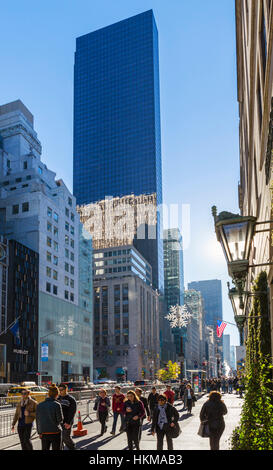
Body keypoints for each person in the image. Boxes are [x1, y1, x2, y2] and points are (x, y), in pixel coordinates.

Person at [36, 383, 63, 450]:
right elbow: (60, 419)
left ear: (49, 394)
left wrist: (39, 432)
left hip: (44, 432)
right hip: (55, 431)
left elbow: (38, 420)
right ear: (57, 394)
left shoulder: (39, 405)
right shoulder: (57, 405)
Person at [57, 383, 77, 450]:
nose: (60, 391)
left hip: (67, 421)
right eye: (59, 390)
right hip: (59, 422)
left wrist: (68, 422)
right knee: (59, 439)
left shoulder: (71, 399)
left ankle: (72, 448)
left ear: (66, 389)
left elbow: (72, 412)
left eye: (62, 390)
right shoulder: (57, 398)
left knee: (65, 437)